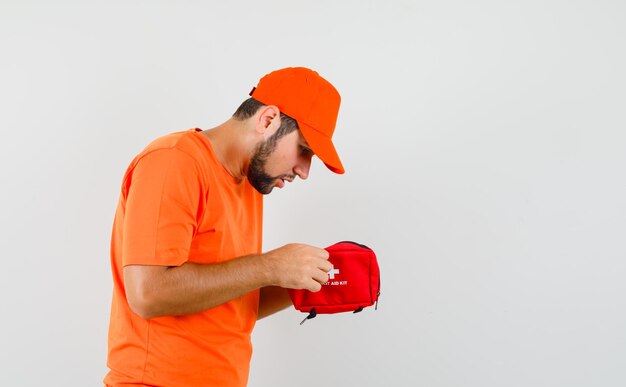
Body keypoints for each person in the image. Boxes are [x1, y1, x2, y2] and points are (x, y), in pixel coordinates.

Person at [104, 67, 345, 387]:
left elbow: (229, 304)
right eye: (304, 150)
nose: (304, 171)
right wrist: (271, 265)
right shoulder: (173, 161)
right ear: (268, 119)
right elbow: (148, 293)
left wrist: (304, 279)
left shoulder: (250, 185)